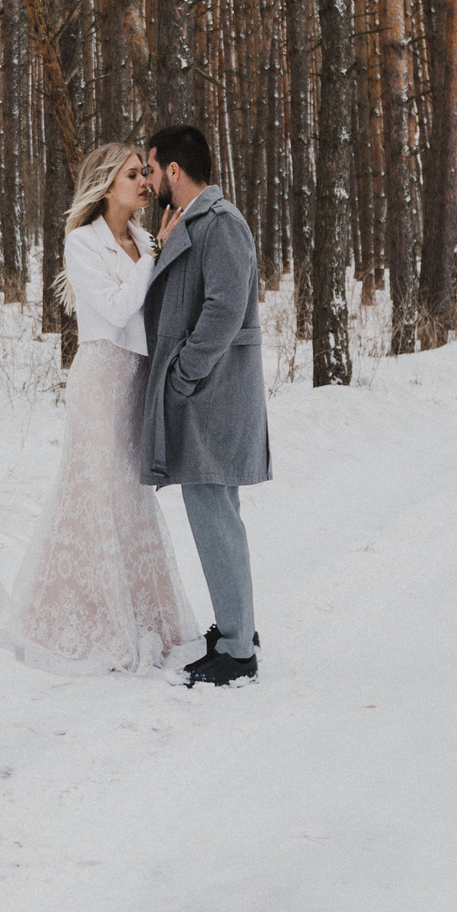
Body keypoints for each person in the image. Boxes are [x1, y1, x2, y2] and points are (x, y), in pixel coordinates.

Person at [0, 144, 192, 674]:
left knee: (129, 498)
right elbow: (114, 308)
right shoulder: (82, 242)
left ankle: (139, 611)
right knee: (90, 494)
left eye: (143, 174)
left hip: (135, 379)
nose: (143, 183)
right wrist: (157, 252)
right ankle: (74, 617)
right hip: (99, 380)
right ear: (107, 185)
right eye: (132, 175)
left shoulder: (139, 237)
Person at [140, 123, 271, 689]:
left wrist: (184, 376)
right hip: (207, 394)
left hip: (213, 393)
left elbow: (223, 309)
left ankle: (238, 652)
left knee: (213, 512)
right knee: (215, 511)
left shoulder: (222, 224)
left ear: (174, 170)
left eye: (150, 168)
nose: (147, 179)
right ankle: (235, 626)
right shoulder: (197, 222)